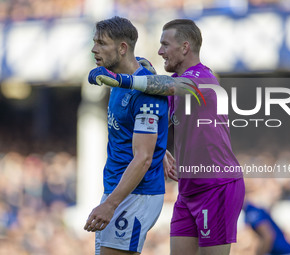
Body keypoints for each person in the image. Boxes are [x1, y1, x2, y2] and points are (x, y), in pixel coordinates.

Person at [89, 19, 245, 255]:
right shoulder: (172, 88)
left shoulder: (202, 80)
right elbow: (157, 101)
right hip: (188, 188)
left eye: (165, 44)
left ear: (185, 47)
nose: (160, 51)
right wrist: (160, 151)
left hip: (216, 186)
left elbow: (165, 85)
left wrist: (123, 79)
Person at [83, 16, 169, 255]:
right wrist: (162, 150)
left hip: (135, 195)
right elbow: (138, 133)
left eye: (101, 43)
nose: (94, 49)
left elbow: (142, 158)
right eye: (94, 42)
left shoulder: (146, 94)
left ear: (122, 48)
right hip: (118, 190)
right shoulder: (119, 79)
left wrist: (110, 204)